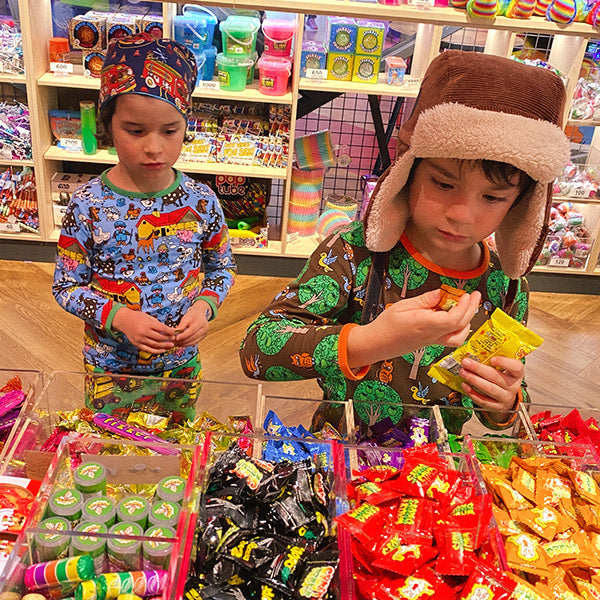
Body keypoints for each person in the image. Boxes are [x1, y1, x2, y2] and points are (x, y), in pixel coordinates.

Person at [239, 50, 570, 437]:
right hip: (338, 456)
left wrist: (507, 403)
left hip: (434, 479)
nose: (462, 214)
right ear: (407, 172)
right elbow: (256, 351)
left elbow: (509, 404)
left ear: (520, 205)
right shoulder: (353, 252)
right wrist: (367, 341)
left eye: (493, 198)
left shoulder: (507, 287)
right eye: (444, 184)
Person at [52, 34, 236, 422]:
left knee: (175, 448)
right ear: (108, 126)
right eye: (135, 131)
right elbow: (66, 286)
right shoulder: (87, 205)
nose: (154, 147)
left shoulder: (202, 201)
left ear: (186, 126)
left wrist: (205, 307)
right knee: (110, 449)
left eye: (169, 131)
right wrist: (119, 317)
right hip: (110, 367)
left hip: (180, 365)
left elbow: (222, 267)